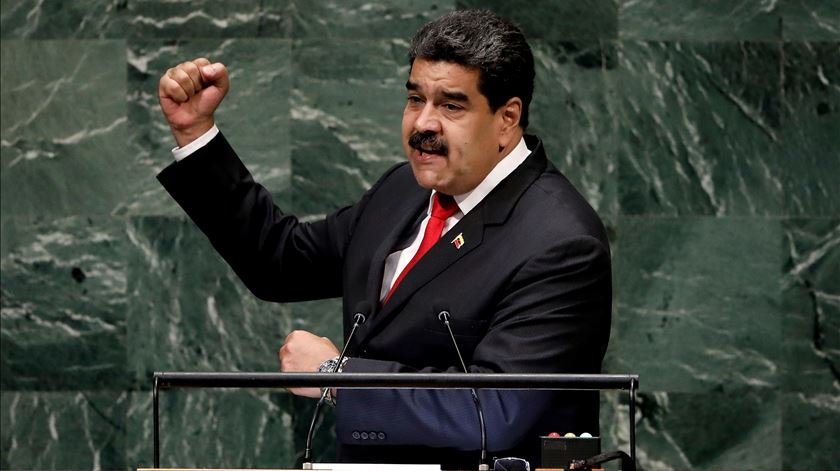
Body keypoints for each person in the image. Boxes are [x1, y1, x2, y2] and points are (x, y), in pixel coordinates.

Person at [157, 9, 611, 469]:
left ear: (507, 118)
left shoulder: (560, 240)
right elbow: (280, 262)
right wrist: (195, 133)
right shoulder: (404, 188)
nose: (423, 125)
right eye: (416, 100)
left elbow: (495, 411)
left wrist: (339, 378)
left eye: (451, 105)